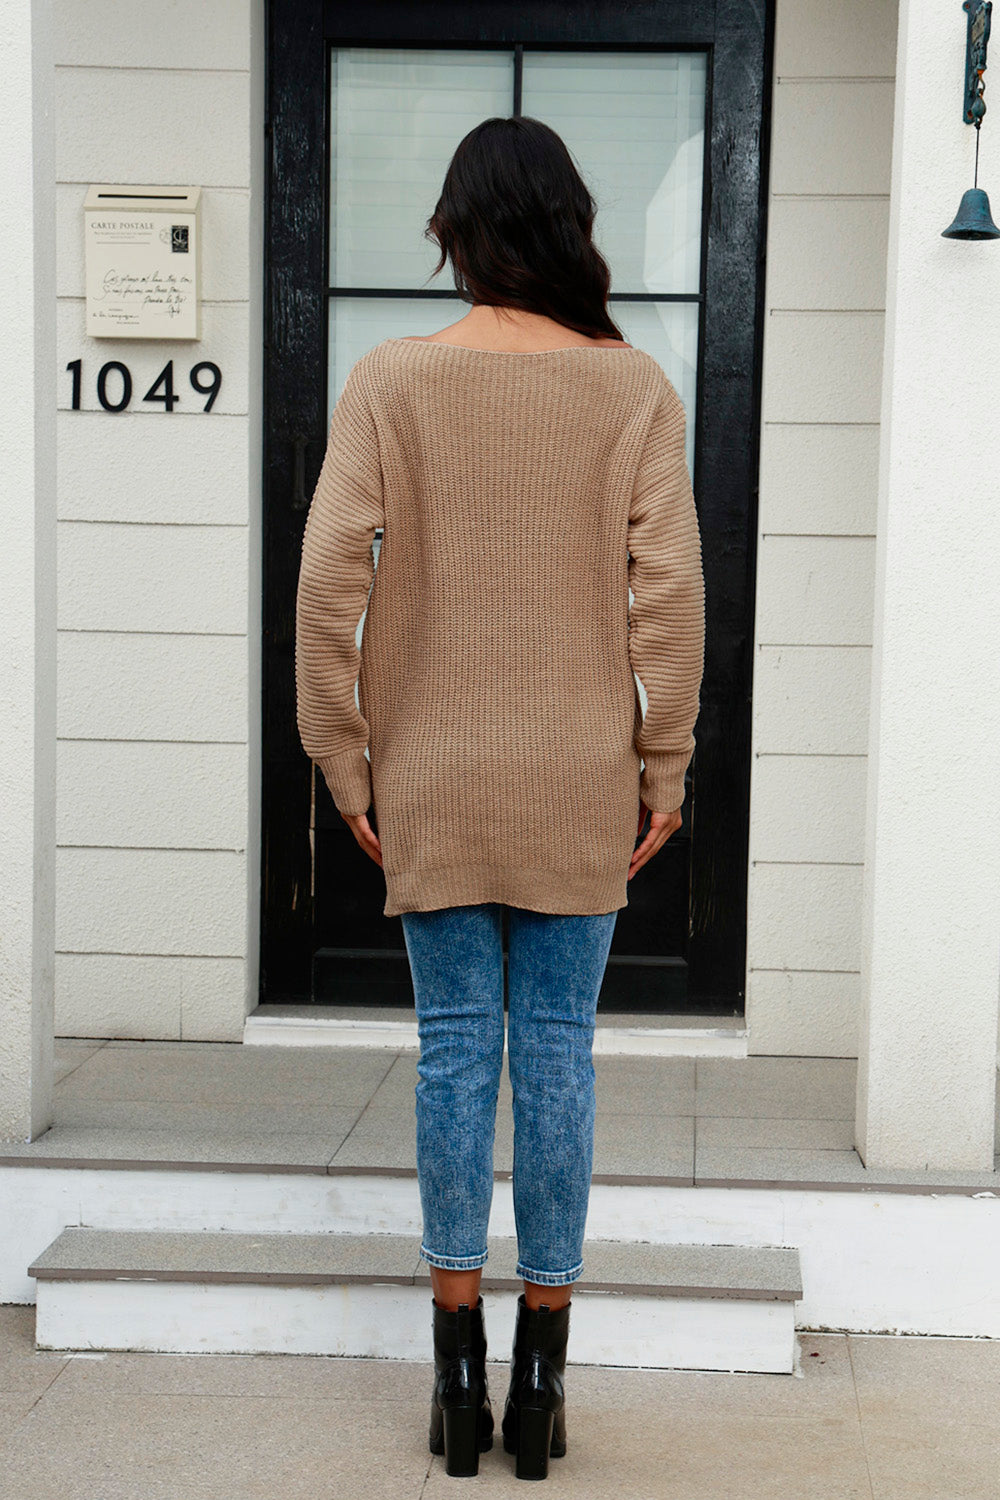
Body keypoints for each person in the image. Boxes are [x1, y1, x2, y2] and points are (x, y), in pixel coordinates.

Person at [294, 115, 705, 1481]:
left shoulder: (391, 381)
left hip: (433, 772)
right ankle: (543, 1381)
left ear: (455, 235)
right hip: (579, 774)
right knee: (562, 1058)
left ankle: (456, 1379)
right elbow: (668, 599)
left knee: (456, 1055)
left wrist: (344, 755)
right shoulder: (632, 390)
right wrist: (665, 762)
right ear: (572, 227)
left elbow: (327, 585)